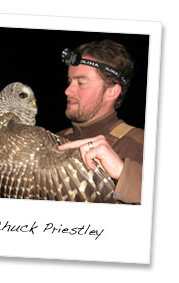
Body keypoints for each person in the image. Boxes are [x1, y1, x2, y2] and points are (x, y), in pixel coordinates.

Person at [57, 39, 144, 204]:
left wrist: (122, 173)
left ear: (111, 92)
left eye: (81, 83)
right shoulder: (56, 139)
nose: (67, 90)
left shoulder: (142, 144)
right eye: (70, 81)